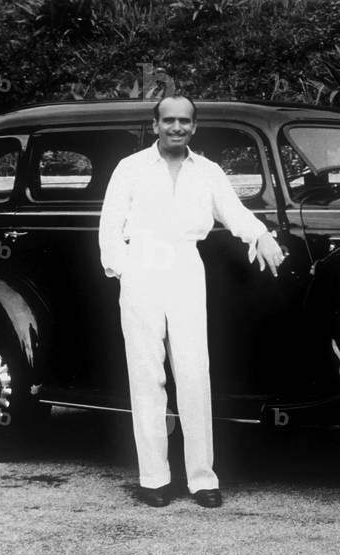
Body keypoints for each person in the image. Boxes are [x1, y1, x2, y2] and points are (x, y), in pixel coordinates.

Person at [98, 95, 284, 508]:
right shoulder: (130, 169)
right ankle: (154, 479)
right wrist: (125, 270)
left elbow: (234, 212)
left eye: (184, 121)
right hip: (143, 265)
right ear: (155, 123)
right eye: (169, 121)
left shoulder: (209, 172)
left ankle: (202, 478)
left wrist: (261, 235)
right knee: (147, 375)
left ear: (194, 127)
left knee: (194, 371)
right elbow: (109, 226)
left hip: (186, 265)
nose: (176, 128)